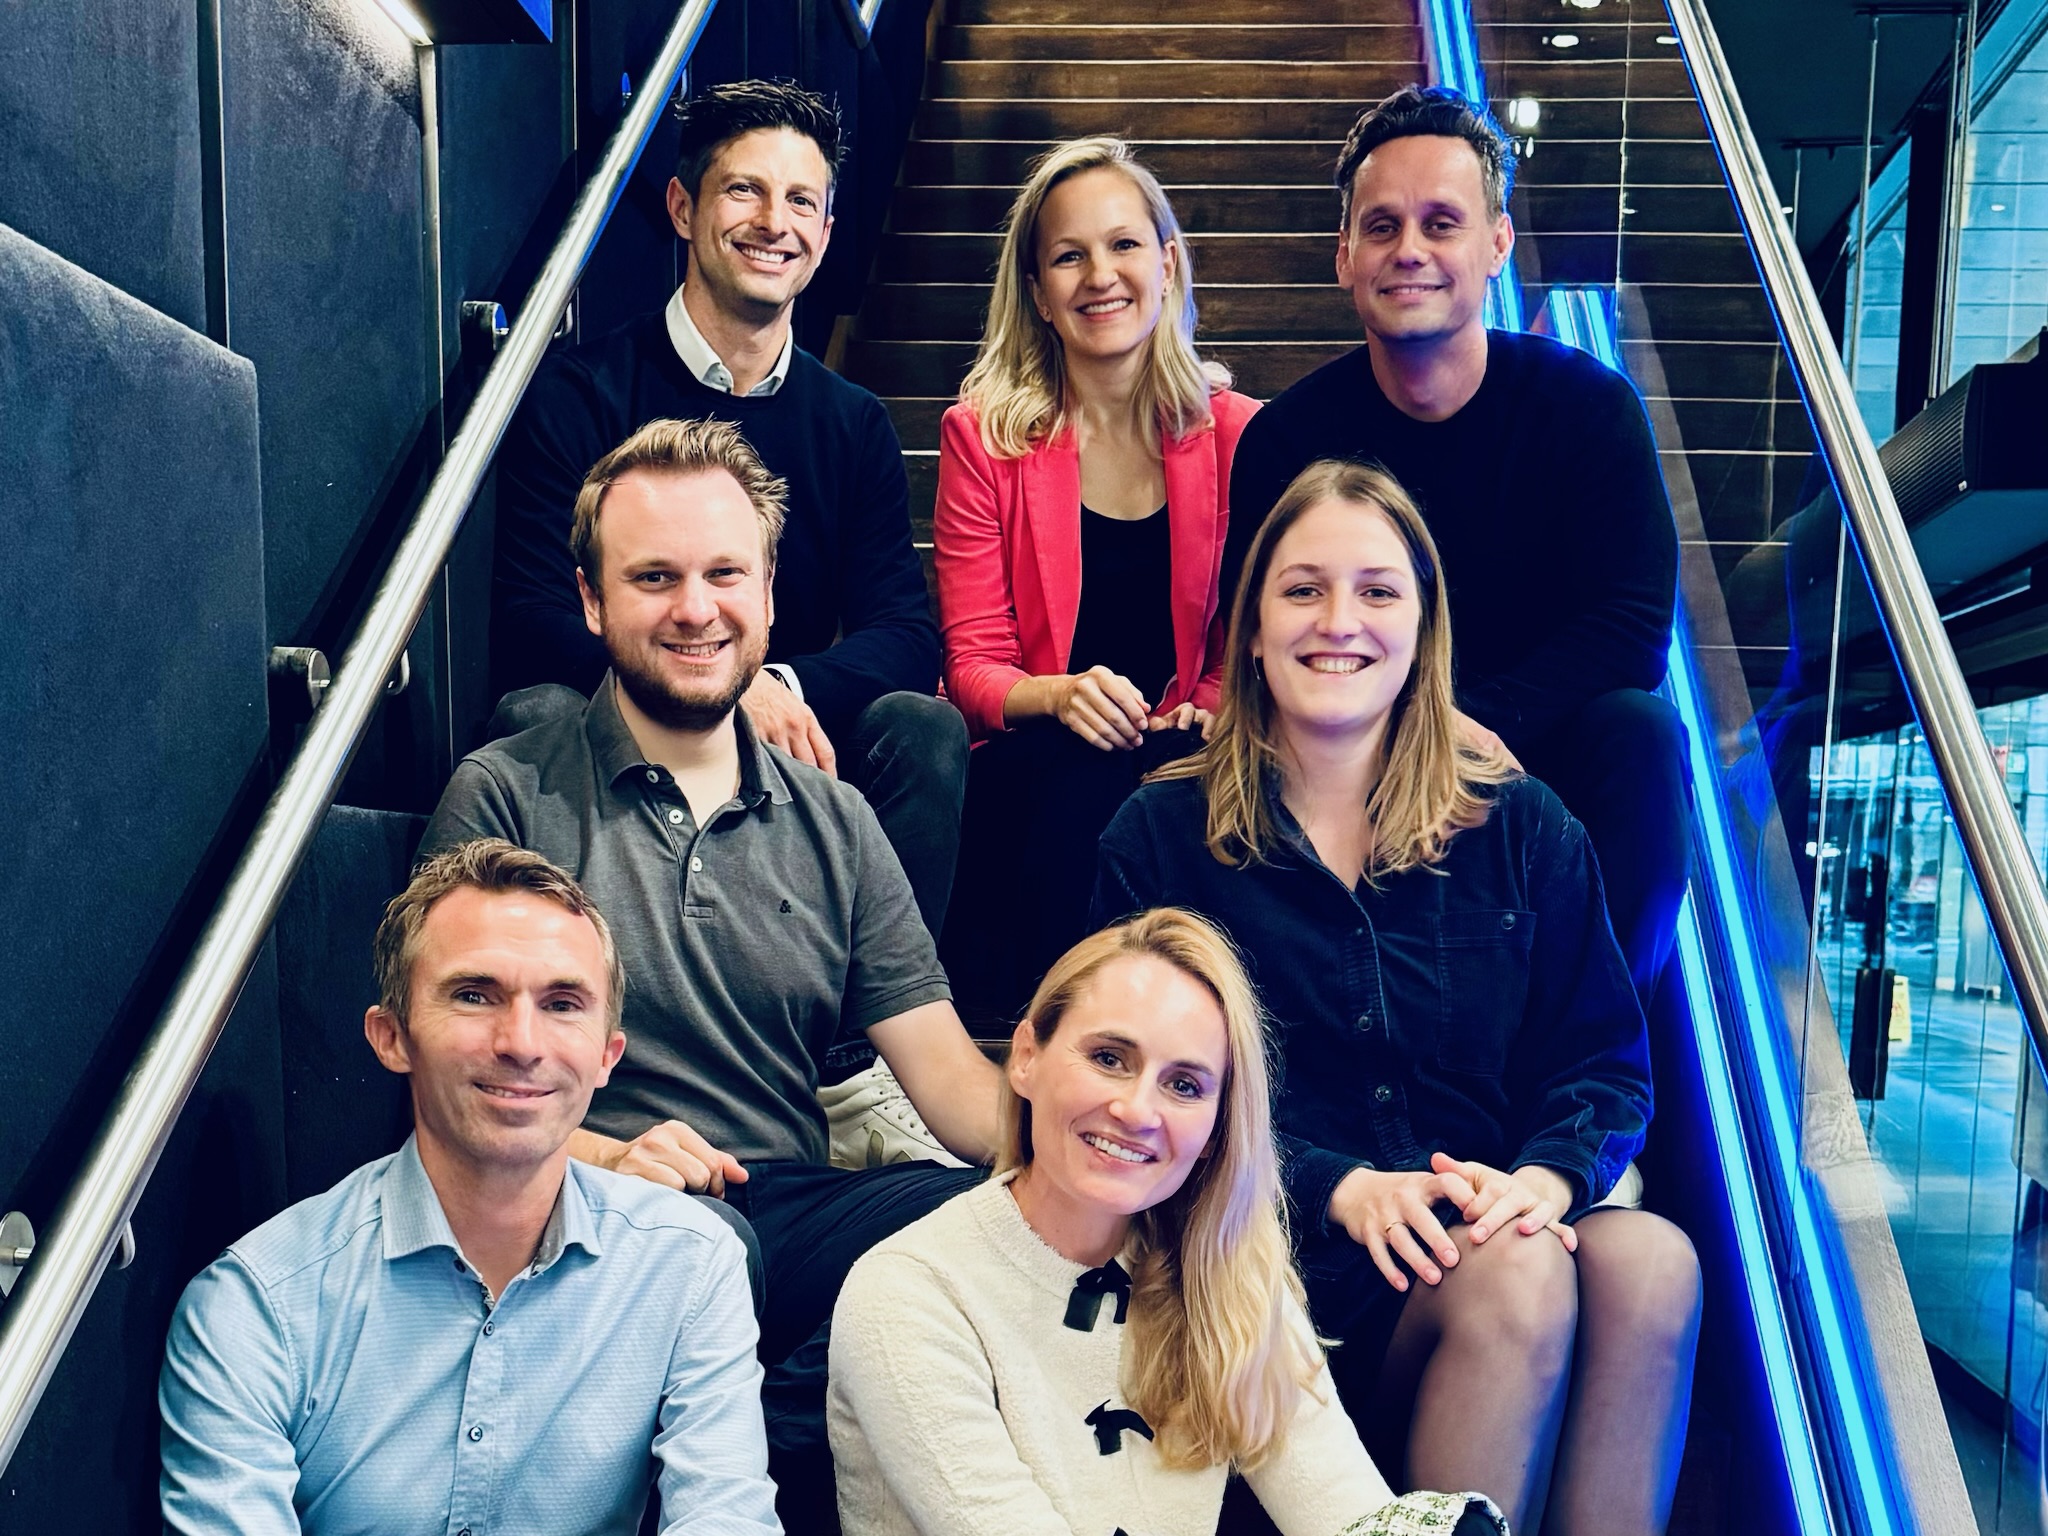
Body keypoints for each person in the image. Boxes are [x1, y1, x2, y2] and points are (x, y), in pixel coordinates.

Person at [1096, 461, 1702, 1535]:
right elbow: (1125, 1098)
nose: (1339, 622)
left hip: (1474, 1238)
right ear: (1249, 630)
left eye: (1377, 591)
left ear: (1423, 632)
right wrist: (1340, 1187)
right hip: (1271, 1269)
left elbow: (1602, 1063)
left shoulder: (1523, 826)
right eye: (1302, 590)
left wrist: (1544, 1180)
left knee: (1652, 1263)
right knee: (1516, 1275)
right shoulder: (1159, 837)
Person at [424, 417, 998, 1531]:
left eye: (724, 574)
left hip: (781, 1200)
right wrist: (608, 1155)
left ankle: (744, 1472)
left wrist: (1107, 1143)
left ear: (769, 595)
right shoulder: (505, 795)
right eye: (654, 578)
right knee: (701, 1249)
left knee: (996, 1225)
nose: (696, 609)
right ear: (593, 602)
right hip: (575, 1197)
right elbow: (442, 1082)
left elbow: (954, 1091)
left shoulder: (835, 820)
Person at [160, 839, 779, 1535]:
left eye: (563, 1003)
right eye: (474, 995)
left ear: (607, 1057)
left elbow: (726, 1517)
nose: (521, 1043)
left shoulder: (690, 1265)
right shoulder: (257, 1306)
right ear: (392, 1037)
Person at [829, 908, 1504, 1536]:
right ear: (1027, 1057)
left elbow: (1349, 1513)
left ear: (1215, 1129)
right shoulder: (907, 1293)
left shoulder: (1229, 1277)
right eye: (1109, 1058)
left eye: (1184, 1085)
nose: (1136, 1111)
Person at [1225, 84, 1685, 998]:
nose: (1410, 250)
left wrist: (1471, 726)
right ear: (1344, 256)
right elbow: (1259, 634)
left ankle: (1603, 1037)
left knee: (1641, 734)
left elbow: (1632, 625)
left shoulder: (1588, 409)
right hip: (1349, 747)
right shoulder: (1286, 439)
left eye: (1441, 223)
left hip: (1534, 744)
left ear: (1497, 245)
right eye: (1382, 226)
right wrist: (1402, 733)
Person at [492, 77, 965, 953]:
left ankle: (869, 1025)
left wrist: (775, 686)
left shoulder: (853, 421)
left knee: (922, 729)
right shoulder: (579, 392)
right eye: (745, 190)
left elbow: (903, 631)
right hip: (625, 716)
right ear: (683, 208)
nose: (774, 222)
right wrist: (720, 685)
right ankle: (583, 1002)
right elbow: (532, 616)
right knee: (536, 712)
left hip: (789, 740)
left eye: (801, 201)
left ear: (826, 234)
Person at [935, 136, 1258, 1022]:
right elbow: (973, 666)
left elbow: (1256, 632)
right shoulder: (983, 440)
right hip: (1040, 764)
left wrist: (1214, 699)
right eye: (1069, 256)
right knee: (1085, 772)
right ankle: (1058, 1033)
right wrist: (1060, 695)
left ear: (1168, 263)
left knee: (1182, 784)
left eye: (1123, 245)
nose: (1100, 275)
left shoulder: (1242, 434)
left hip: (1193, 749)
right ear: (1039, 294)